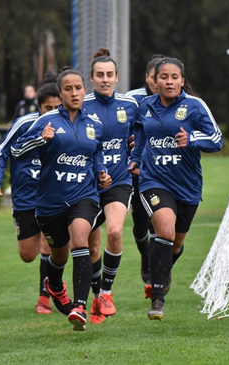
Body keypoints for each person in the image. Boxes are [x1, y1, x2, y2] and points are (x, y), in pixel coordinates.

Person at [11, 66, 112, 331]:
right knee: (59, 255)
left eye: (78, 88)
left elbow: (97, 153)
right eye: (68, 89)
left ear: (84, 90)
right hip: (50, 203)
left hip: (84, 196)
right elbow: (16, 149)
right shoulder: (46, 121)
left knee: (81, 238)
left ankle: (79, 306)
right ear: (60, 93)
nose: (74, 93)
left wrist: (101, 173)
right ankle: (54, 286)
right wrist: (38, 140)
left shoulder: (94, 125)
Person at [129, 58, 222, 320]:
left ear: (182, 81)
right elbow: (140, 134)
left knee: (176, 243)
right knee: (165, 230)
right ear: (154, 81)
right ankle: (157, 299)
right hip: (153, 180)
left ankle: (157, 268)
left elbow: (216, 140)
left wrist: (191, 139)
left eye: (174, 77)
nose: (169, 82)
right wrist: (135, 159)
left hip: (188, 185)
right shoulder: (145, 106)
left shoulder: (195, 106)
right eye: (164, 77)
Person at [0, 71, 61, 314]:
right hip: (26, 197)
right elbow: (4, 151)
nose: (52, 112)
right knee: (27, 254)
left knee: (49, 247)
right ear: (38, 106)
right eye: (47, 107)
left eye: (56, 107)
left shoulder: (69, 123)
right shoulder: (25, 124)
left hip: (54, 196)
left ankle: (44, 296)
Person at [82, 48, 139, 323]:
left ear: (117, 77)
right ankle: (94, 299)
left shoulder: (129, 106)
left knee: (115, 232)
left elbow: (141, 131)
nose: (105, 79)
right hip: (88, 185)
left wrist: (136, 149)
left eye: (110, 74)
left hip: (119, 181)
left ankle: (106, 292)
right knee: (91, 247)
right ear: (91, 78)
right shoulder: (81, 106)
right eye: (100, 75)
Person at [125, 55, 164, 290]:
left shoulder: (179, 102)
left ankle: (155, 269)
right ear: (148, 77)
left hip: (164, 172)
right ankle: (146, 258)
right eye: (154, 77)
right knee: (140, 224)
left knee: (159, 223)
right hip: (137, 170)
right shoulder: (132, 100)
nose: (157, 82)